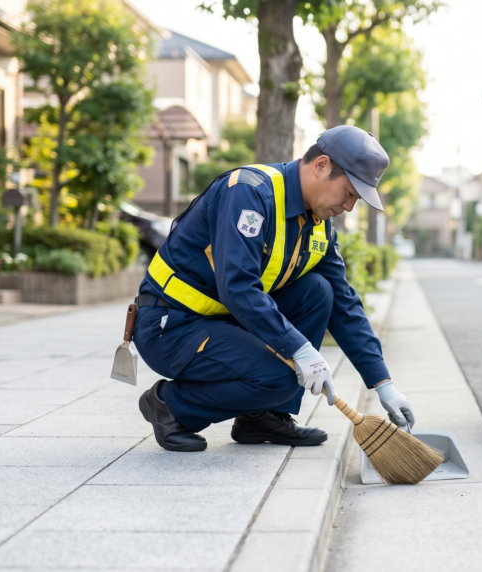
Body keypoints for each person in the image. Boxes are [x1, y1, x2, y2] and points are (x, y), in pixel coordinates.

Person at [132, 125, 416, 452]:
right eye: (349, 193)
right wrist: (300, 349)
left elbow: (343, 303)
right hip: (171, 325)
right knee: (283, 376)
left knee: (319, 290)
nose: (349, 207)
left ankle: (262, 417)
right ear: (321, 165)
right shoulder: (248, 194)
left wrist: (384, 385)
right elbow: (238, 286)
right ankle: (170, 406)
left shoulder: (319, 226)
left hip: (222, 321)